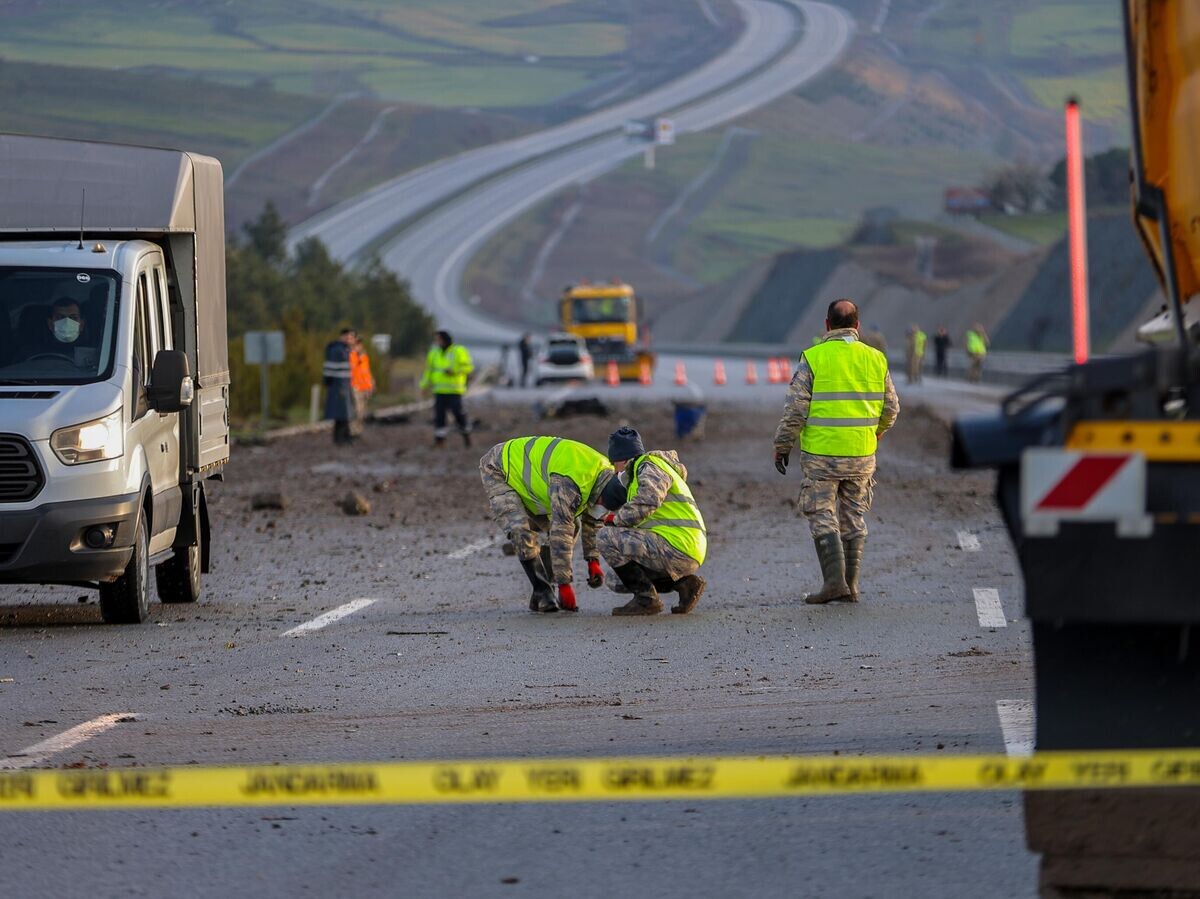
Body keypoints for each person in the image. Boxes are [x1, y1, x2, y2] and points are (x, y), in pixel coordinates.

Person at [772, 298, 900, 604]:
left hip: (822, 456)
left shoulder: (815, 357)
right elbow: (892, 408)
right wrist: (876, 433)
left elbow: (795, 410)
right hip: (862, 454)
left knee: (822, 514)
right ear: (857, 326)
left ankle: (833, 583)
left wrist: (782, 445)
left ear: (827, 325)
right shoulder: (876, 358)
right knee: (854, 515)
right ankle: (851, 586)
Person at [479, 436, 626, 614]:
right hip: (499, 467)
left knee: (575, 525)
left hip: (534, 483)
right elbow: (560, 531)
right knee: (520, 530)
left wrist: (592, 560)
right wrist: (565, 585)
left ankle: (543, 592)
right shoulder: (570, 481)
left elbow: (593, 517)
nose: (601, 508)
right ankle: (542, 591)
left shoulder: (607, 475)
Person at [599, 427, 707, 617]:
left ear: (620, 460)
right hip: (685, 547)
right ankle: (685, 585)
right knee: (615, 579)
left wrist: (616, 520)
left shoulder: (648, 465)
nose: (615, 470)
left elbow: (649, 500)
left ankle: (646, 600)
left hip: (678, 545)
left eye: (613, 463)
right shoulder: (645, 473)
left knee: (605, 537)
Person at [421, 330, 474, 447]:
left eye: (438, 339)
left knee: (458, 413)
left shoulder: (458, 351)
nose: (437, 342)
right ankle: (440, 440)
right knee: (439, 416)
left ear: (445, 339)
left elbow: (468, 367)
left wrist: (454, 372)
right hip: (439, 390)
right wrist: (424, 385)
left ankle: (466, 434)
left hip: (455, 390)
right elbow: (429, 371)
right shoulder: (434, 353)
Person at [323, 328, 356, 445]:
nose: (350, 340)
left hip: (345, 385)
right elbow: (329, 369)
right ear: (342, 337)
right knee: (341, 413)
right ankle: (340, 439)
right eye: (348, 337)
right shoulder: (337, 350)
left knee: (345, 413)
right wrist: (329, 383)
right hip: (338, 386)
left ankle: (345, 437)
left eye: (352, 337)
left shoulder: (346, 350)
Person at [349, 333, 375, 439]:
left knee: (362, 412)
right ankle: (352, 431)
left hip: (365, 387)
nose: (359, 346)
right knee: (357, 410)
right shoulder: (351, 356)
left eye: (360, 343)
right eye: (356, 344)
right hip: (355, 387)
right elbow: (352, 371)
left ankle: (358, 430)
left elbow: (366, 372)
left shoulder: (364, 357)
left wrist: (371, 383)